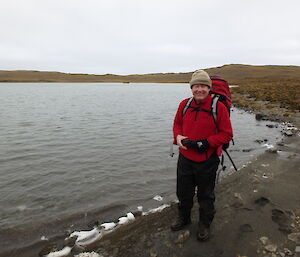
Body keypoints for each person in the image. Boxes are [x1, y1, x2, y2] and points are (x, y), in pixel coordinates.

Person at [171, 69, 233, 241]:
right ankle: (184, 218)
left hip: (207, 160)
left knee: (205, 195)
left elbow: (227, 134)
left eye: (203, 86)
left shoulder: (218, 107)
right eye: (196, 86)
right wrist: (177, 137)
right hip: (185, 159)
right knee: (183, 192)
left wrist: (206, 143)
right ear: (191, 88)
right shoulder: (184, 105)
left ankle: (204, 224)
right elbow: (177, 123)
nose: (199, 89)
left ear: (209, 88)